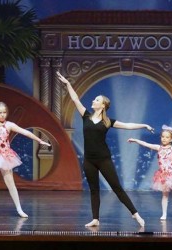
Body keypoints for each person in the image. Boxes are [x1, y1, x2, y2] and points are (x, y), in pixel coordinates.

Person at [56, 71, 152, 228]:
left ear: (103, 105)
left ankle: (136, 214)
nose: (93, 101)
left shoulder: (108, 121)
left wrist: (144, 125)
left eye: (97, 100)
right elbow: (75, 99)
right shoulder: (85, 116)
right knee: (94, 190)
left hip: (104, 159)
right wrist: (67, 84)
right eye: (94, 99)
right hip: (89, 160)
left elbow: (127, 125)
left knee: (117, 188)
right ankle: (95, 219)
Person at [128, 125, 172, 221]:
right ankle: (164, 214)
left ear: (171, 139)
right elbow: (146, 144)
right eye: (163, 137)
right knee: (165, 195)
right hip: (163, 175)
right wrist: (136, 140)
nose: (164, 139)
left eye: (167, 137)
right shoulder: (159, 148)